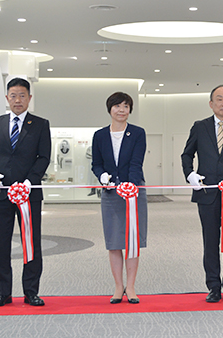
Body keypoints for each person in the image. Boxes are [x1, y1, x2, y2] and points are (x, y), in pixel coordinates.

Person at [0, 77, 51, 307]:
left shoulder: (40, 124)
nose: (17, 100)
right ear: (7, 98)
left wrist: (31, 181)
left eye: (22, 95)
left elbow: (44, 157)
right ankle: (3, 293)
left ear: (29, 98)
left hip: (29, 193)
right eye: (13, 95)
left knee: (31, 242)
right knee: (0, 243)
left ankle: (31, 292)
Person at [181, 85, 223, 303]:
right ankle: (213, 286)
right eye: (219, 99)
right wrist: (190, 175)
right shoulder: (200, 127)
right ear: (211, 103)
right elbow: (186, 154)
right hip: (207, 194)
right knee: (210, 241)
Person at [91, 92, 147, 304]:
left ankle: (131, 287)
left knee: (132, 240)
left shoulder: (138, 133)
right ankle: (118, 286)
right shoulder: (100, 135)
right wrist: (103, 176)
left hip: (134, 192)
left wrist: (129, 186)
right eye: (117, 106)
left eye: (126, 106)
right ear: (110, 109)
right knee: (114, 241)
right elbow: (96, 163)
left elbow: (136, 162)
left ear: (130, 110)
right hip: (110, 193)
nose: (121, 109)